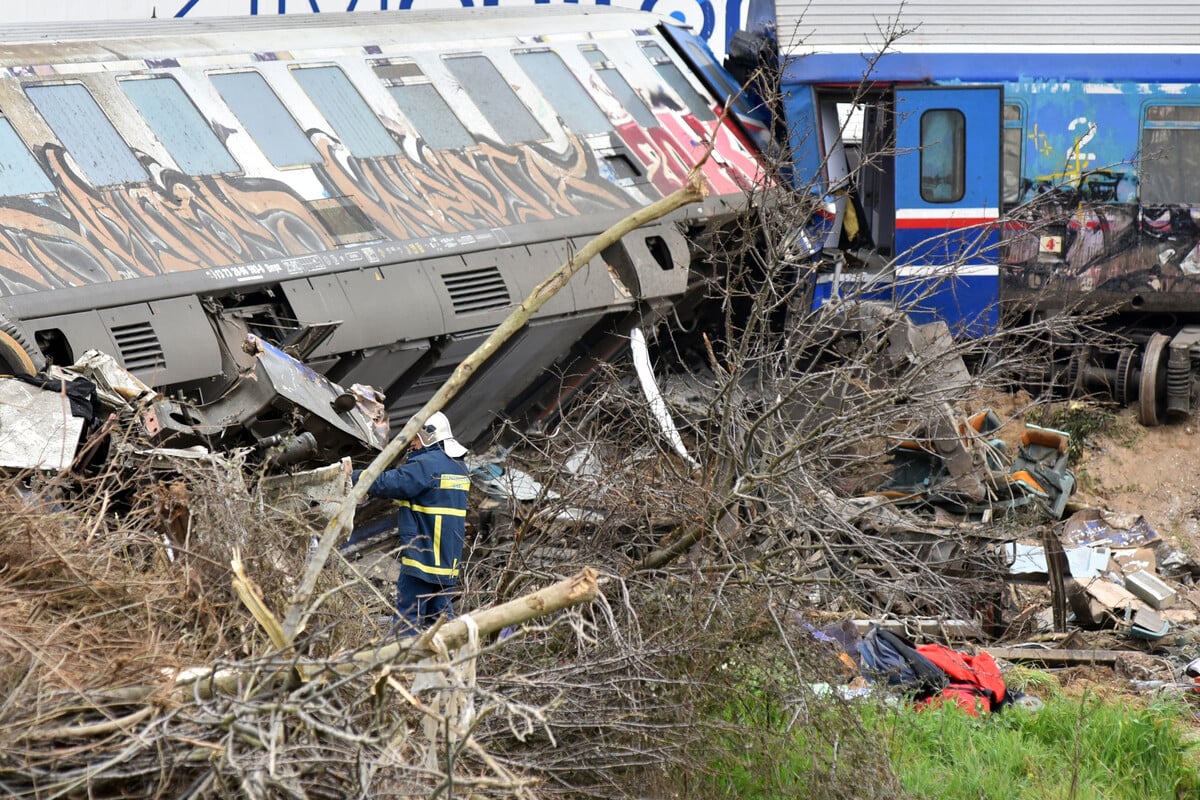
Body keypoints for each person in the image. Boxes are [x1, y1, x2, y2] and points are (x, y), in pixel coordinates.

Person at [352, 411, 470, 634]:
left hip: (422, 560)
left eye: (415, 438)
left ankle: (406, 665)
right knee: (442, 623)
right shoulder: (458, 466)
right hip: (447, 563)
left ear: (429, 436)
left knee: (408, 620)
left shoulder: (426, 464)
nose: (413, 443)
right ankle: (447, 664)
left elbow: (390, 483)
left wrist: (354, 475)